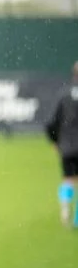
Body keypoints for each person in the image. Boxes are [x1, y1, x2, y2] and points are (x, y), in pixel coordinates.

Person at [45, 60, 78, 228]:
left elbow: (50, 123)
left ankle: (65, 207)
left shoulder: (64, 96)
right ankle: (77, 219)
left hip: (67, 146)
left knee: (67, 178)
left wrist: (55, 141)